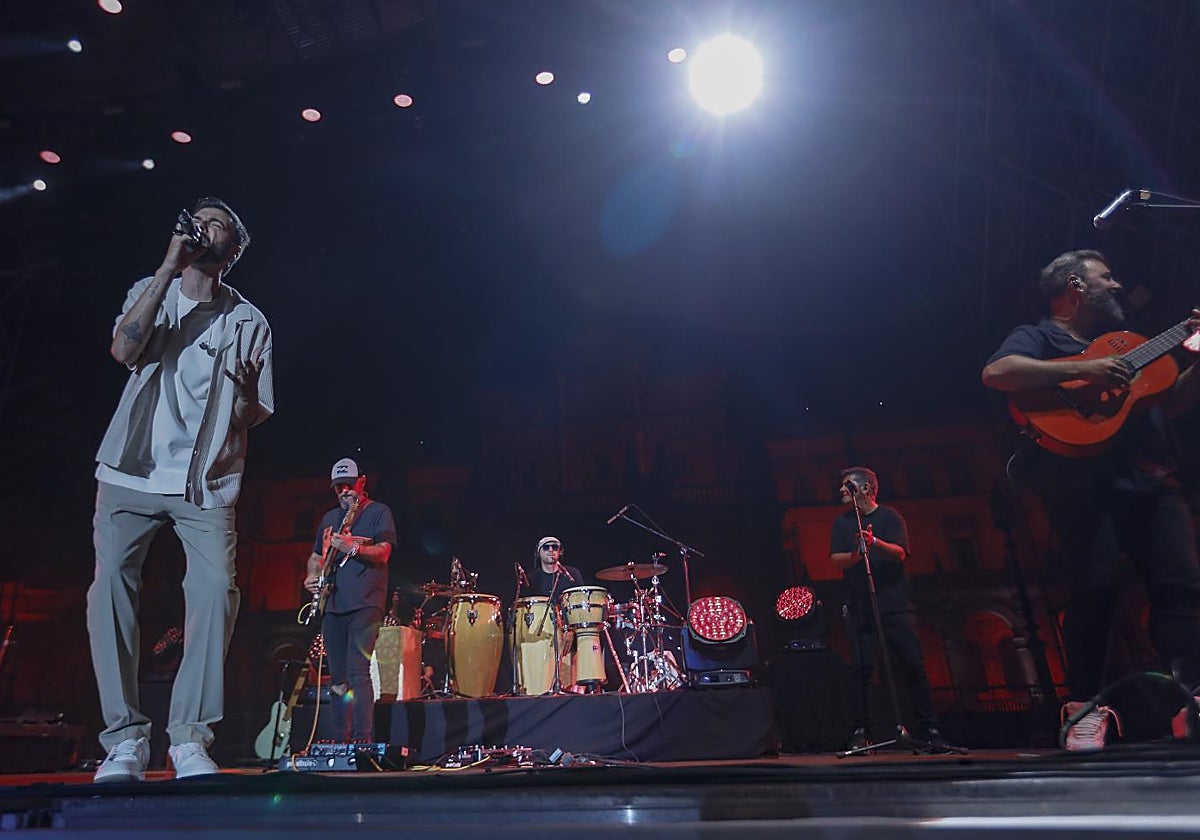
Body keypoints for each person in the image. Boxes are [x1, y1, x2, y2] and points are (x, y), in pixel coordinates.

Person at [982, 249, 1200, 750]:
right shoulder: (1041, 335)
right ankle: (1084, 706)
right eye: (1108, 276)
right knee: (1095, 587)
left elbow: (1173, 399)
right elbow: (998, 374)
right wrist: (1091, 369)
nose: (1118, 285)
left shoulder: (1137, 344)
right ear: (1076, 285)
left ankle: (1192, 701)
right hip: (1080, 481)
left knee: (1180, 586)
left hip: (1150, 476)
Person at [88, 198, 273, 782]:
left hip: (205, 482)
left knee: (216, 591)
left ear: (233, 249)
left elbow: (250, 412)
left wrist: (242, 392)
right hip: (129, 470)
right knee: (108, 593)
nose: (203, 227)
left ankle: (190, 738)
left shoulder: (250, 321)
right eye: (199, 219)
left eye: (216, 222)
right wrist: (169, 267)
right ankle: (124, 741)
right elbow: (124, 349)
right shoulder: (153, 288)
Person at [829, 467, 952, 753]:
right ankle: (862, 732)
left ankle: (929, 729)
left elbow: (900, 553)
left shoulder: (889, 517)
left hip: (895, 604)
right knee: (860, 669)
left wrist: (874, 543)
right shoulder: (841, 523)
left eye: (846, 486)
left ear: (865, 489)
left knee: (912, 665)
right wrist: (856, 554)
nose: (841, 491)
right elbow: (836, 560)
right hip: (861, 606)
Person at [303, 458, 396, 743]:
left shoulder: (378, 512)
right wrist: (312, 575)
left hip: (367, 602)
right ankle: (340, 740)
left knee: (358, 670)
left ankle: (362, 739)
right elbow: (317, 556)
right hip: (332, 603)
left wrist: (353, 547)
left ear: (362, 482)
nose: (344, 491)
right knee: (338, 677)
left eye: (349, 485)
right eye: (339, 487)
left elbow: (384, 552)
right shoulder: (329, 520)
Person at [525, 536, 583, 601]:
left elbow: (580, 599)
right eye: (546, 547)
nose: (551, 550)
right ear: (538, 553)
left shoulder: (572, 573)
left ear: (560, 552)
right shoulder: (531, 578)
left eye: (554, 547)